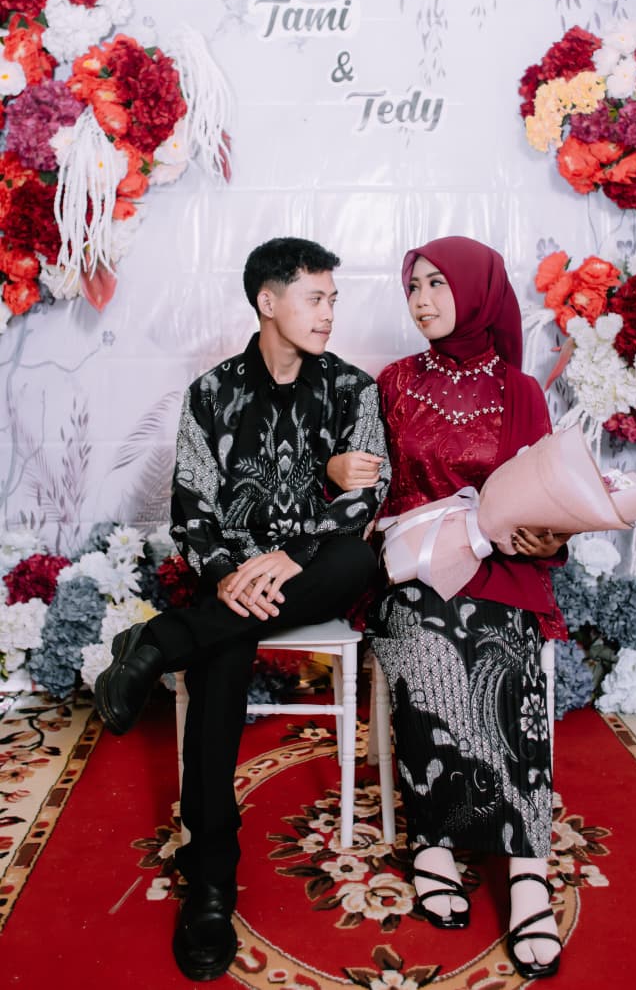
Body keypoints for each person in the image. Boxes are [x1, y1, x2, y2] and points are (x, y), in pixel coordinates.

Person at [95, 237, 390, 982]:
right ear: (268, 300)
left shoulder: (352, 389)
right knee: (223, 658)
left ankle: (160, 641)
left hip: (315, 569)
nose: (329, 313)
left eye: (333, 299)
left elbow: (367, 496)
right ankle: (211, 879)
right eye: (314, 298)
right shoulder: (211, 393)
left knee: (359, 559)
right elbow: (191, 508)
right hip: (232, 583)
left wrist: (296, 551)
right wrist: (229, 574)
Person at [332, 236, 568, 980]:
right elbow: (366, 490)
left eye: (439, 284)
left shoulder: (521, 391)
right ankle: (433, 840)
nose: (423, 300)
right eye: (414, 286)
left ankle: (527, 870)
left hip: (500, 566)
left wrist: (544, 531)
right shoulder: (394, 383)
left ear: (478, 291)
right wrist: (342, 472)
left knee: (505, 648)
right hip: (413, 568)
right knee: (428, 632)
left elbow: (546, 498)